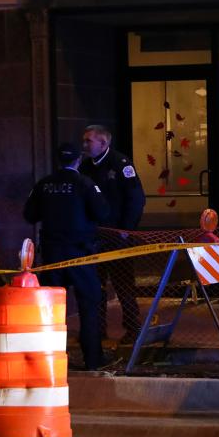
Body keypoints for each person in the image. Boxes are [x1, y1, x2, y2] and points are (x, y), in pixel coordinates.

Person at [24, 142, 109, 370]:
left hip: (52, 257)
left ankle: (50, 361)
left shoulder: (43, 185)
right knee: (89, 308)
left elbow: (29, 215)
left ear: (58, 160)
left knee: (51, 311)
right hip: (81, 255)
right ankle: (93, 360)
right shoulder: (85, 184)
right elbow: (102, 212)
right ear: (78, 160)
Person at [79, 124, 146, 344]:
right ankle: (97, 330)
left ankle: (133, 329)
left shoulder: (120, 164)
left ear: (104, 143)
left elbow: (136, 199)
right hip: (94, 236)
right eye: (85, 140)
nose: (85, 145)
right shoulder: (86, 167)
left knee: (124, 284)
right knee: (94, 285)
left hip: (118, 236)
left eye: (89, 141)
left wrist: (126, 229)